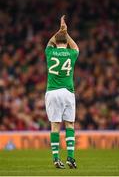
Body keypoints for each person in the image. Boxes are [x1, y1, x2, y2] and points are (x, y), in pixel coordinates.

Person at [45, 15, 79, 169]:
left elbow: (50, 42)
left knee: (55, 125)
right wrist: (66, 32)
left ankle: (56, 159)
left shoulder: (49, 52)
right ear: (66, 42)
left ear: (55, 42)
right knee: (70, 124)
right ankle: (70, 158)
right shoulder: (71, 54)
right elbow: (76, 48)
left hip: (52, 92)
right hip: (67, 91)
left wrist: (60, 31)